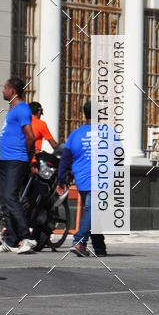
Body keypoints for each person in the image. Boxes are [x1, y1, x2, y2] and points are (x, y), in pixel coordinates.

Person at [0, 77, 37, 254]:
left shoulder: (22, 109)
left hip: (16, 160)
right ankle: (10, 241)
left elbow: (30, 136)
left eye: (5, 88)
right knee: (6, 199)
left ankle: (27, 238)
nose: (3, 90)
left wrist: (29, 159)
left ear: (12, 91)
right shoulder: (13, 110)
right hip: (7, 160)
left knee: (11, 198)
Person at [56, 100, 107, 258]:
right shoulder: (107, 133)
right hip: (100, 179)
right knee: (94, 211)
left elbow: (65, 158)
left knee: (93, 212)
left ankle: (99, 247)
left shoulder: (75, 134)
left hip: (82, 180)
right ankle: (79, 241)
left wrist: (60, 180)